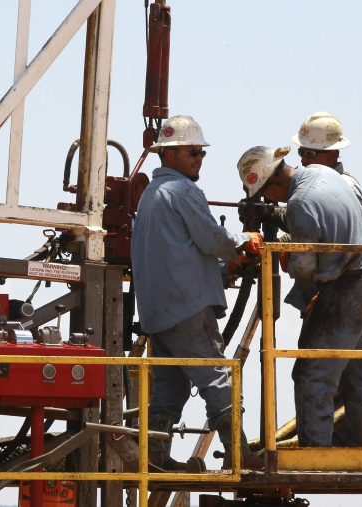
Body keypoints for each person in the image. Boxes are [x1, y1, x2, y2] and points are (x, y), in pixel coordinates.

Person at [131, 115, 264, 470]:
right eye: (193, 152)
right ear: (170, 154)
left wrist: (222, 269)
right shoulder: (183, 191)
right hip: (188, 308)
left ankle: (156, 457)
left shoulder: (149, 197)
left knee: (169, 386)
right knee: (217, 376)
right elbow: (212, 238)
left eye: (201, 153)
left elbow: (178, 253)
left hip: (157, 314)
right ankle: (239, 454)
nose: (199, 158)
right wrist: (244, 242)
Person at [236, 144, 362, 448]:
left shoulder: (301, 203)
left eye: (265, 194)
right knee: (359, 373)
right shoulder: (320, 174)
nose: (267, 199)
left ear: (272, 182)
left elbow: (304, 266)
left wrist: (279, 255)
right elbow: (313, 215)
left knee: (311, 374)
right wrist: (275, 215)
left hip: (347, 289)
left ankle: (315, 453)